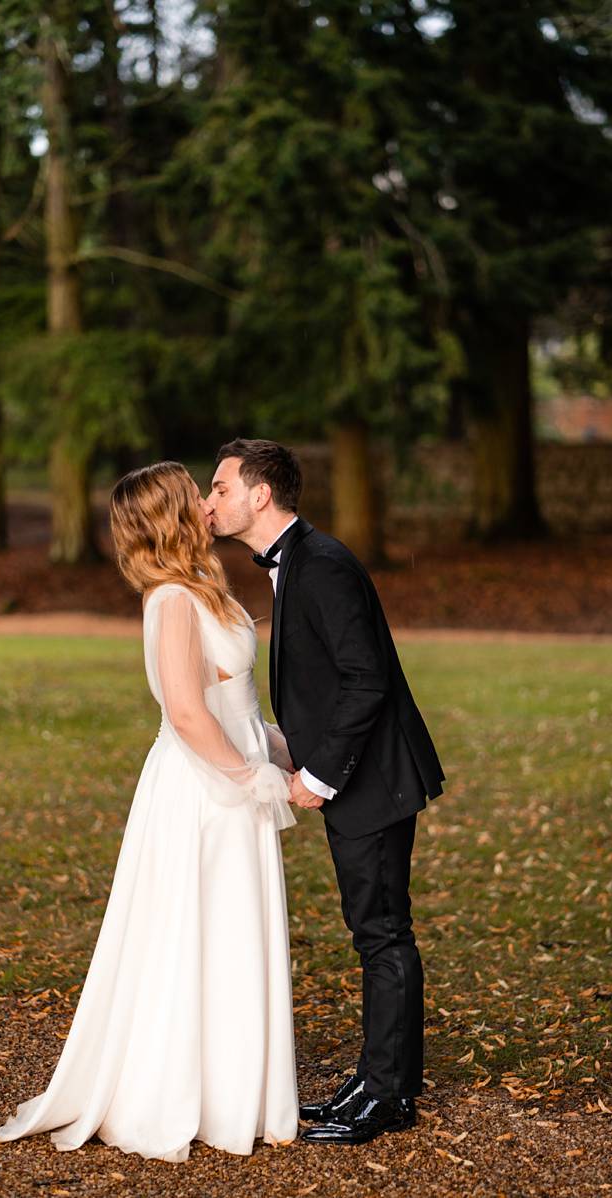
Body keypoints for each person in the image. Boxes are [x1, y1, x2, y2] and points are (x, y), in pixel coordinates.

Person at [0, 461, 299, 1161]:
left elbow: (236, 709)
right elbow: (188, 715)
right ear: (171, 515)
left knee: (229, 933)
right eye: (195, 493)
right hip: (201, 794)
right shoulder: (170, 601)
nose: (205, 500)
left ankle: (235, 1091)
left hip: (232, 779)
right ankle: (173, 1093)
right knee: (192, 934)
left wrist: (289, 756)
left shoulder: (204, 590)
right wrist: (257, 781)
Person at [203, 438, 444, 1146]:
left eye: (219, 488)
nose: (209, 501)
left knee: (381, 932)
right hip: (357, 776)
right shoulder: (298, 563)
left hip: (373, 778)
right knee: (372, 929)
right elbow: (329, 683)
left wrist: (318, 774)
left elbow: (366, 679)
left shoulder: (323, 565)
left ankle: (389, 1098)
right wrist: (283, 745)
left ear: (260, 495)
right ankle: (375, 1080)